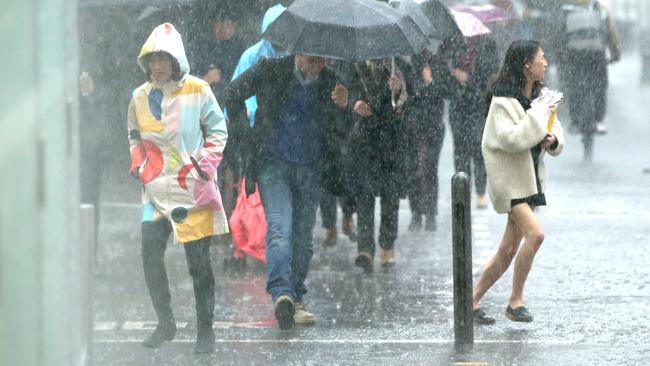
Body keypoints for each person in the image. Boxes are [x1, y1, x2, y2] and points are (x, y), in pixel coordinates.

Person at [225, 54, 349, 330]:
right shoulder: (272, 69)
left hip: (311, 168)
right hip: (273, 165)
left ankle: (297, 297)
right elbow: (232, 93)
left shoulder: (332, 82)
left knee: (303, 237)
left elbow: (343, 130)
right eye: (314, 61)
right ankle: (282, 294)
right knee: (280, 228)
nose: (319, 67)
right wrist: (244, 132)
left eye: (323, 62)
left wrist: (344, 105)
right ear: (300, 53)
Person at [127, 23, 228, 353]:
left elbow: (218, 130)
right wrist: (140, 165)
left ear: (176, 60)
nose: (159, 64)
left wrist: (203, 166)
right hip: (154, 191)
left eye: (165, 57)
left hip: (191, 189)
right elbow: (133, 135)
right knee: (149, 256)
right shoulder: (139, 97)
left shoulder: (198, 90)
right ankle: (165, 322)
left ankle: (205, 331)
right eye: (154, 58)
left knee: (199, 265)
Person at [472, 40, 564, 324]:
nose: (546, 63)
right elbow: (512, 139)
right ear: (527, 65)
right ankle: (515, 300)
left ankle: (470, 300)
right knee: (535, 235)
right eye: (541, 58)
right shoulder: (503, 100)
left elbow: (552, 129)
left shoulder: (539, 96)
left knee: (508, 249)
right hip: (510, 182)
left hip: (531, 181)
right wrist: (540, 114)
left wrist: (553, 140)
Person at [348, 58, 409, 271]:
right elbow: (341, 92)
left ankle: (387, 246)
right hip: (364, 140)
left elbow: (413, 100)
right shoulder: (353, 63)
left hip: (391, 141)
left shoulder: (397, 65)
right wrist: (353, 103)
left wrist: (399, 90)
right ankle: (364, 247)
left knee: (390, 195)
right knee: (364, 194)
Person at [558, 0, 620, 160]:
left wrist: (561, 56)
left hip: (575, 56)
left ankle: (575, 120)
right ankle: (598, 119)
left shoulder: (566, 10)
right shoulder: (601, 10)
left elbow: (559, 37)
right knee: (600, 86)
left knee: (573, 87)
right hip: (596, 55)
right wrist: (615, 54)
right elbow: (611, 33)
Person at [449, 35, 500, 210]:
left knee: (479, 149)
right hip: (458, 108)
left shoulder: (488, 47)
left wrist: (468, 80)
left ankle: (480, 191)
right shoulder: (453, 46)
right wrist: (454, 77)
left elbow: (492, 78)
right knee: (460, 151)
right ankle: (463, 192)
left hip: (478, 106)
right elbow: (445, 78)